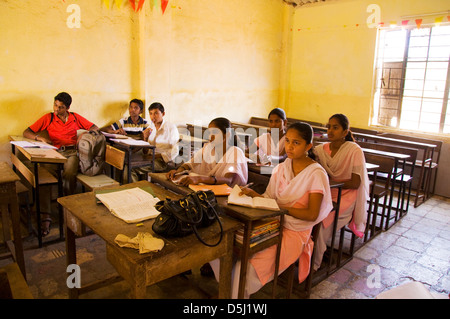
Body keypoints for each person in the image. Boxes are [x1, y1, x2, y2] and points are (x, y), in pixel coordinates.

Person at [209, 122, 333, 298]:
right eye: (288, 141)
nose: (289, 146)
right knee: (219, 245)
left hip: (295, 231)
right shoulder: (281, 168)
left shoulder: (316, 174)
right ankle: (231, 292)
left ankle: (234, 294)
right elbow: (269, 199)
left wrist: (279, 208)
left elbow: (311, 214)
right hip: (273, 221)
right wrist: (253, 195)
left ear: (308, 146)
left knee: (244, 268)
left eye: (296, 143)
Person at [23, 92, 100, 236]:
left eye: (61, 107)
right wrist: (40, 138)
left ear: (68, 108)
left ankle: (67, 205)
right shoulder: (49, 117)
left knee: (70, 171)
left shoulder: (75, 117)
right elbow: (26, 132)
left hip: (71, 153)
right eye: (55, 105)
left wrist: (85, 134)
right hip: (54, 152)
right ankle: (46, 215)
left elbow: (95, 127)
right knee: (45, 177)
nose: (57, 110)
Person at [312, 113, 369, 270]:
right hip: (328, 191)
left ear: (345, 132)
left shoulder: (354, 150)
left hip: (346, 195)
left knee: (323, 222)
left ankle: (314, 264)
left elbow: (356, 182)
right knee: (308, 210)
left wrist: (331, 183)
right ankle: (305, 251)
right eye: (328, 127)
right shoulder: (320, 150)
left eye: (335, 127)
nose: (330, 131)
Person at [166, 117, 247, 187]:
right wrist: (177, 172)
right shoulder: (208, 148)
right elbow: (190, 164)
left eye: (214, 132)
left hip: (228, 194)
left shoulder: (235, 152)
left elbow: (228, 180)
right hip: (210, 190)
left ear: (227, 135)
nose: (210, 137)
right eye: (209, 132)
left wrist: (200, 179)